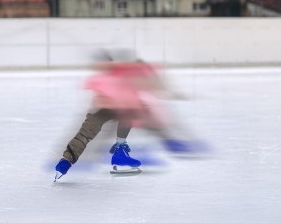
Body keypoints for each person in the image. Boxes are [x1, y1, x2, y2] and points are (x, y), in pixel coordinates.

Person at [54, 50, 189, 180]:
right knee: (89, 130)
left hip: (119, 107)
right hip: (104, 108)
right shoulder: (103, 81)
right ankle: (67, 161)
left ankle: (120, 153)